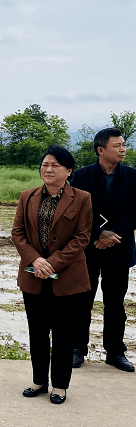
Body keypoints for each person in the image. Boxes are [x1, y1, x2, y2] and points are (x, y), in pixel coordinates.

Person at [12, 146, 92, 404]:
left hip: (67, 276)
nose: (48, 169)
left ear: (69, 171)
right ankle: (38, 381)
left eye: (55, 165)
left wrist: (53, 263)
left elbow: (82, 237)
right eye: (45, 164)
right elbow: (18, 233)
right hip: (33, 275)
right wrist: (35, 260)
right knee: (37, 331)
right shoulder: (27, 196)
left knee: (63, 332)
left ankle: (60, 385)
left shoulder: (81, 198)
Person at [69, 128, 136, 372]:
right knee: (81, 301)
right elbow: (75, 210)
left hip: (119, 247)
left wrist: (113, 234)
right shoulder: (81, 177)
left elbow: (135, 212)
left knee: (116, 304)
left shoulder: (132, 176)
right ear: (101, 149)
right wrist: (98, 233)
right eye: (117, 145)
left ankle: (115, 352)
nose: (123, 149)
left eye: (124, 145)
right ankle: (77, 348)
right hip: (87, 248)